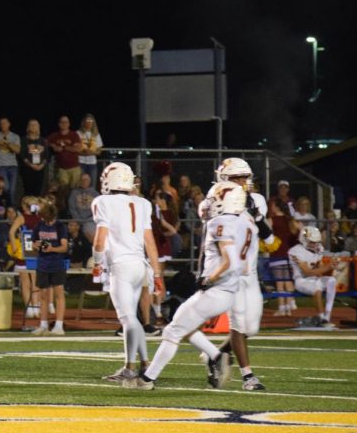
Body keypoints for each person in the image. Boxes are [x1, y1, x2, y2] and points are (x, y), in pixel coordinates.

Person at [125, 182, 253, 391]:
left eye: (217, 199)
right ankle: (216, 356)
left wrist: (210, 277)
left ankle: (147, 380)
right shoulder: (246, 223)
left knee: (173, 331)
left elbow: (229, 260)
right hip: (230, 290)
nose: (212, 203)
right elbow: (245, 265)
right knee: (182, 325)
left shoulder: (220, 223)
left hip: (216, 290)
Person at [204, 157, 275, 391]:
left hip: (250, 272)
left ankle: (217, 355)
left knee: (250, 328)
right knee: (238, 323)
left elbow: (266, 234)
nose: (243, 182)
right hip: (228, 271)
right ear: (224, 180)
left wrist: (251, 211)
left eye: (245, 177)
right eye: (237, 178)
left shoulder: (256, 201)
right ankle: (248, 377)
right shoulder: (214, 199)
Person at [91, 162, 162, 382]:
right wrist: (157, 273)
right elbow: (149, 241)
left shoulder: (102, 201)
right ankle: (135, 365)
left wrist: (96, 262)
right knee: (132, 320)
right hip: (141, 266)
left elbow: (101, 237)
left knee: (129, 319)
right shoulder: (142, 203)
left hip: (121, 267)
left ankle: (145, 368)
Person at [289, 225, 338, 329]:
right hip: (301, 280)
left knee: (332, 281)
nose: (315, 244)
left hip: (314, 279)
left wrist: (331, 266)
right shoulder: (295, 251)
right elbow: (307, 272)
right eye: (312, 241)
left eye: (316, 241)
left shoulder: (319, 249)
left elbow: (319, 267)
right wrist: (328, 267)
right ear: (303, 240)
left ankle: (327, 317)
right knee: (317, 287)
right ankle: (321, 318)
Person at [32, 201, 69, 335]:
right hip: (42, 263)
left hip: (57, 263)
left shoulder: (60, 227)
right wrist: (37, 246)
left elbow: (64, 246)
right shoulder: (39, 226)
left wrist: (52, 248)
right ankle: (43, 324)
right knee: (43, 295)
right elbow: (33, 244)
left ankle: (59, 325)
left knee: (59, 293)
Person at [46, 115, 82, 206]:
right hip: (62, 168)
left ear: (69, 124)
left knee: (75, 189)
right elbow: (45, 142)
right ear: (59, 124)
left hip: (74, 167)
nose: (64, 124)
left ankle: (73, 207)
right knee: (63, 189)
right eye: (62, 122)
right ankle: (64, 207)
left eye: (66, 122)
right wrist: (53, 146)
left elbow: (78, 149)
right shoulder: (55, 135)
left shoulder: (74, 135)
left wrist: (64, 148)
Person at [19, 119, 48, 198]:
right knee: (28, 191)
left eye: (36, 125)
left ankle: (35, 210)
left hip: (40, 169)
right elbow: (22, 155)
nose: (34, 127)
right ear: (28, 127)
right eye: (32, 125)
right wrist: (31, 165)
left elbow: (46, 156)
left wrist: (41, 165)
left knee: (37, 191)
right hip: (27, 169)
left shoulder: (43, 140)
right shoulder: (23, 140)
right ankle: (28, 209)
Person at [67, 172, 98, 239]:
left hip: (90, 220)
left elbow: (97, 209)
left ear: (90, 181)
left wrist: (88, 220)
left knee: (90, 227)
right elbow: (72, 208)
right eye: (82, 180)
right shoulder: (74, 193)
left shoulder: (95, 194)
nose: (84, 181)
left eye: (86, 180)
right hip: (76, 218)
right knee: (72, 225)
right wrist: (78, 219)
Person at [77, 114, 103, 187]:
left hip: (92, 163)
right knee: (80, 184)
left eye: (91, 121)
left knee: (92, 184)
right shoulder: (78, 133)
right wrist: (83, 153)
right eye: (87, 121)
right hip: (80, 162)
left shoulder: (96, 134)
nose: (89, 122)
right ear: (83, 122)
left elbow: (99, 150)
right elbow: (75, 149)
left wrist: (92, 152)